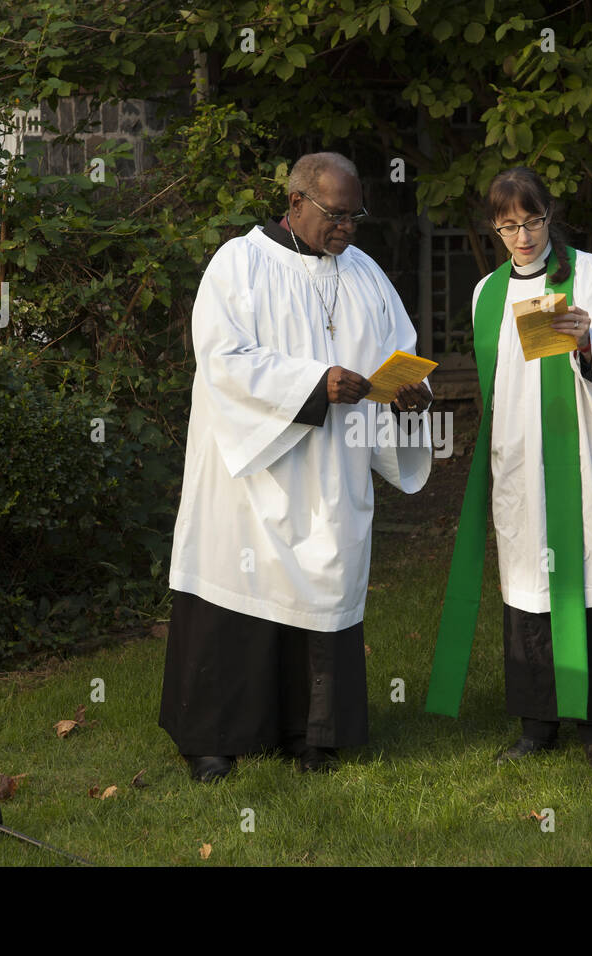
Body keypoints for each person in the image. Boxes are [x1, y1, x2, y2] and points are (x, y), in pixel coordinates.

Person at [159, 152, 433, 782]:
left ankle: (311, 737)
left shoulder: (363, 272)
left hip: (331, 473)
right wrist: (316, 383)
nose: (348, 228)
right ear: (296, 203)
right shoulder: (241, 263)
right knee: (236, 589)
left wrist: (408, 394)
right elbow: (223, 359)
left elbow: (400, 350)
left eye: (355, 215)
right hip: (251, 475)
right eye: (337, 214)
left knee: (323, 595)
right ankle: (213, 741)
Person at [428, 166, 592, 774]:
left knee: (590, 581)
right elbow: (501, 386)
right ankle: (536, 722)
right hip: (521, 461)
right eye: (508, 225)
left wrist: (589, 347)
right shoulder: (486, 293)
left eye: (533, 220)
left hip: (585, 457)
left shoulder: (589, 274)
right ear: (494, 227)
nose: (522, 236)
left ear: (551, 215)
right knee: (528, 586)